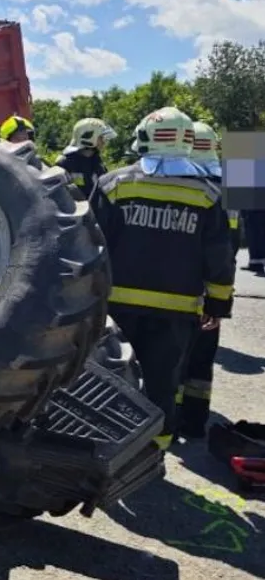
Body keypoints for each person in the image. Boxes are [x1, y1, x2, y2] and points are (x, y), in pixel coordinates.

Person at [91, 107, 236, 448]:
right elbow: (220, 257)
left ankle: (109, 448)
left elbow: (90, 246)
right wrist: (217, 303)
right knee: (162, 385)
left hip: (114, 311)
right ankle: (153, 454)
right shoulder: (207, 195)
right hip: (176, 313)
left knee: (111, 381)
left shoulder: (114, 185)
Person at [174, 122, 242, 438]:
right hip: (212, 286)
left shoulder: (185, 185)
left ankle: (170, 421)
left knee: (174, 359)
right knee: (201, 362)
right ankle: (195, 420)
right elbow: (234, 243)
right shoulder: (228, 184)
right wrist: (219, 298)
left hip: (181, 286)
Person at [52, 117, 117, 198]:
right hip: (76, 209)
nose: (104, 142)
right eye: (101, 137)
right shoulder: (64, 163)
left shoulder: (96, 161)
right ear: (89, 138)